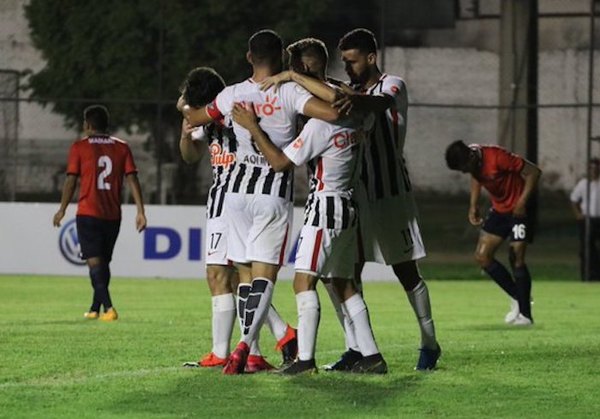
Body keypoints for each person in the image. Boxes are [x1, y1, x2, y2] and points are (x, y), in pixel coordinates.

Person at [177, 30, 339, 375]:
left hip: (235, 196)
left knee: (243, 277)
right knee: (257, 278)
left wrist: (187, 106)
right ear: (280, 58)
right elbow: (334, 111)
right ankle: (250, 347)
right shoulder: (291, 91)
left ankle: (247, 348)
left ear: (249, 57)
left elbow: (194, 118)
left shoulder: (232, 94)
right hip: (271, 194)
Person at [233, 37, 387, 375]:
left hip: (325, 206)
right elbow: (357, 102)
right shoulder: (359, 113)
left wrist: (253, 127)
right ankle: (372, 357)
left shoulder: (322, 124)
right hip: (348, 207)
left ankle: (304, 360)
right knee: (343, 283)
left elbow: (277, 163)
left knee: (303, 283)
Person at [177, 67, 297, 372]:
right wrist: (185, 126)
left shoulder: (231, 114)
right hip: (223, 200)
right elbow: (189, 155)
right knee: (233, 279)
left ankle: (225, 352)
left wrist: (188, 108)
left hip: (235, 201)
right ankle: (274, 339)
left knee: (222, 277)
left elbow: (184, 106)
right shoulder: (210, 120)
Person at [53, 104, 147, 321]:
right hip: (113, 215)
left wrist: (62, 209)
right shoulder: (122, 147)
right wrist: (140, 211)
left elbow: (70, 180)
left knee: (95, 263)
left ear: (87, 125)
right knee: (102, 262)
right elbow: (132, 179)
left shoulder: (79, 147)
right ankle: (95, 308)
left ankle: (109, 308)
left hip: (88, 213)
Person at [445, 140, 542, 325]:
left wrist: (522, 203)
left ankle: (526, 316)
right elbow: (476, 176)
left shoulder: (497, 157)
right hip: (500, 211)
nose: (465, 172)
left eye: (464, 167)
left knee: (516, 257)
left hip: (520, 211)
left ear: (471, 157)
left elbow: (534, 172)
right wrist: (473, 205)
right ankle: (518, 297)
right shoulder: (474, 161)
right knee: (482, 256)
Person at [570, 158, 600, 281]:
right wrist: (578, 213)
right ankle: (587, 275)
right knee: (586, 248)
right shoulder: (583, 184)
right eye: (591, 168)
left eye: (596, 168)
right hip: (587, 220)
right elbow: (574, 199)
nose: (594, 171)